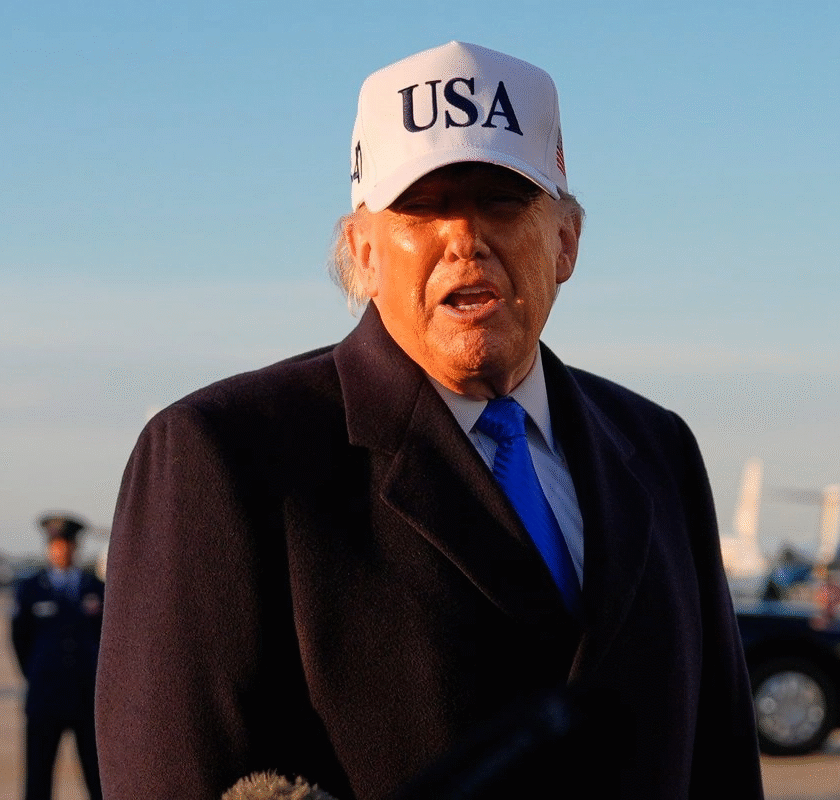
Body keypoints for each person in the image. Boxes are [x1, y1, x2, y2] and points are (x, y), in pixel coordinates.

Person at [96, 41, 764, 800]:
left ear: (566, 242)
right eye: (422, 207)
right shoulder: (225, 456)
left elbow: (721, 760)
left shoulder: (656, 449)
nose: (464, 239)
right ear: (362, 252)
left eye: (502, 201)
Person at [11, 514, 104, 800]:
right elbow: (19, 639)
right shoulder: (30, 589)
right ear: (49, 548)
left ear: (75, 547)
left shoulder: (95, 588)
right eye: (56, 545)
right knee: (38, 780)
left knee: (99, 779)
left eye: (66, 545)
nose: (61, 551)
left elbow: (105, 638)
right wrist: (36, 673)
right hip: (45, 697)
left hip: (86, 696)